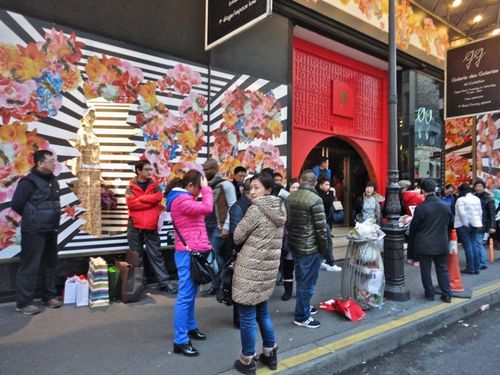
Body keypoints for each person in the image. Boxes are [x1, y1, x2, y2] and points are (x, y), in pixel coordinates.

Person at [232, 173, 286, 373]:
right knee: (263, 313)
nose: (252, 192)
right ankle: (270, 354)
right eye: (250, 188)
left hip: (249, 271)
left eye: (256, 188)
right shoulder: (280, 209)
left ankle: (247, 360)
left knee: (247, 317)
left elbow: (237, 236)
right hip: (267, 271)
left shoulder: (255, 210)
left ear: (268, 190)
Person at [166, 170, 213, 357]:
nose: (200, 192)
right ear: (191, 186)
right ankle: (180, 341)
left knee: (191, 294)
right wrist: (208, 189)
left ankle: (190, 327)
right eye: (199, 188)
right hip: (188, 254)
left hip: (193, 252)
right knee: (185, 297)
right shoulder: (181, 200)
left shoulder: (185, 199)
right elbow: (207, 208)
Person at [11, 150, 62, 315]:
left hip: (51, 228)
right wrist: (33, 218)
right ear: (40, 163)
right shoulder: (28, 182)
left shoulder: (53, 181)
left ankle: (49, 296)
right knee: (30, 266)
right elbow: (17, 204)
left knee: (50, 264)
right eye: (51, 161)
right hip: (33, 230)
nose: (54, 164)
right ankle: (24, 303)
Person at [287, 170, 334, 329]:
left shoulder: (290, 197)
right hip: (310, 247)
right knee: (308, 283)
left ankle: (303, 307)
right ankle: (302, 316)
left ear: (301, 180)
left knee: (301, 279)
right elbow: (321, 230)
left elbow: (287, 222)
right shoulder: (316, 199)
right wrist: (325, 251)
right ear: (314, 183)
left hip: (295, 244)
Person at [126, 160, 177, 294]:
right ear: (138, 170)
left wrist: (141, 199)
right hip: (134, 224)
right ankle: (138, 284)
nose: (150, 172)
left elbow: (159, 197)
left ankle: (164, 283)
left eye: (150, 169)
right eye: (146, 170)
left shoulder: (155, 185)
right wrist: (149, 201)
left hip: (151, 224)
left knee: (156, 255)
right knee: (136, 256)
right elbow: (131, 204)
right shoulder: (131, 185)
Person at [408, 179, 453, 303]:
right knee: (442, 268)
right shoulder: (445, 206)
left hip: (424, 244)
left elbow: (413, 229)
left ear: (423, 190)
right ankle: (447, 294)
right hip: (441, 242)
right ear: (435, 189)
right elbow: (451, 223)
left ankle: (430, 294)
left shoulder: (421, 208)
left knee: (425, 270)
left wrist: (411, 253)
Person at [202, 159, 237, 296]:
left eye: (207, 169)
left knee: (214, 254)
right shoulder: (207, 185)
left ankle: (220, 283)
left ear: (215, 169)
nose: (205, 172)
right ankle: (221, 283)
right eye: (204, 169)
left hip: (220, 225)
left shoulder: (225, 185)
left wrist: (226, 226)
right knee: (216, 254)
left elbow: (232, 206)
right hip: (209, 224)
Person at [229, 179, 253, 328]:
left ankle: (245, 318)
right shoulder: (239, 207)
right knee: (241, 288)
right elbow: (236, 234)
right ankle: (240, 320)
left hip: (250, 253)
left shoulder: (252, 206)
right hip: (242, 253)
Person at [454, 184, 483, 275]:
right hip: (475, 224)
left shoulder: (461, 200)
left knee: (467, 246)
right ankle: (476, 267)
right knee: (473, 244)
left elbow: (462, 213)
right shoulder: (476, 199)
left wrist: (466, 223)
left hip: (463, 225)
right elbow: (480, 212)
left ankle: (470, 268)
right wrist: (478, 222)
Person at [316, 176, 342, 272]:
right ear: (320, 185)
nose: (328, 186)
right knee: (328, 243)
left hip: (327, 221)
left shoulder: (324, 193)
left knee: (323, 243)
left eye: (329, 184)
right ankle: (331, 263)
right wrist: (331, 193)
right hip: (323, 222)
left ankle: (321, 261)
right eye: (326, 184)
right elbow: (327, 204)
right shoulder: (319, 194)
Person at [474, 179, 496, 269]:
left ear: (483, 187)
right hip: (474, 223)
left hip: (482, 223)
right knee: (476, 242)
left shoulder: (489, 198)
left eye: (480, 186)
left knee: (478, 242)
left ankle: (482, 262)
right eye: (476, 186)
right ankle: (478, 261)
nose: (478, 188)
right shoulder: (473, 197)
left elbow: (492, 213)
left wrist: (492, 226)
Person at [401, 182, 425, 266]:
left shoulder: (404, 196)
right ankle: (417, 259)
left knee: (412, 239)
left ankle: (410, 257)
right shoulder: (419, 197)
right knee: (418, 239)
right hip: (417, 218)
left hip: (409, 218)